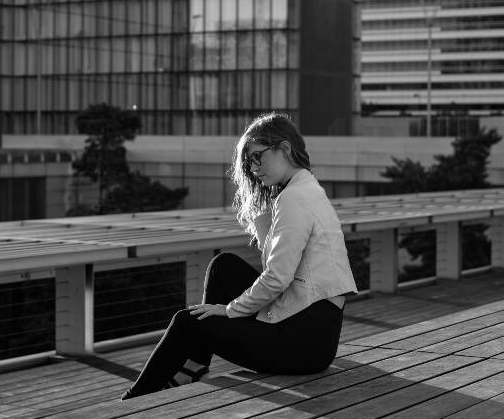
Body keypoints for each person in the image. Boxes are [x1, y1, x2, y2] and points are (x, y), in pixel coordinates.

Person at [121, 112, 357, 400]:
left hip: (302, 344)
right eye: (248, 162)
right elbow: (281, 268)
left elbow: (277, 278)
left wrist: (230, 310)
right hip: (310, 332)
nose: (253, 168)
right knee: (224, 266)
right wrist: (264, 221)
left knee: (188, 321)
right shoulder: (305, 190)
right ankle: (196, 365)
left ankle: (131, 401)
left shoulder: (295, 198)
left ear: (284, 149)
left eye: (258, 156)